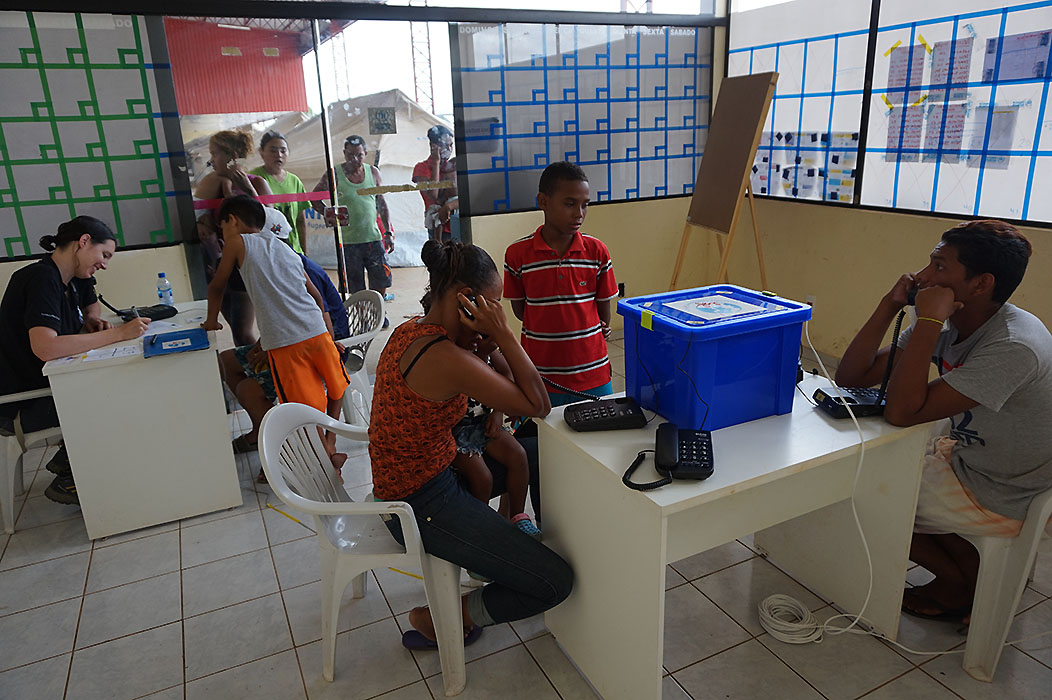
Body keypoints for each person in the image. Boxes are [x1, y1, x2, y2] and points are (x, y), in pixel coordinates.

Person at [835, 219, 1052, 622]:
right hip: (972, 455)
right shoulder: (955, 319)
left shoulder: (1013, 345)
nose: (921, 277)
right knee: (871, 466)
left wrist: (929, 322)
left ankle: (957, 581)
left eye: (938, 266)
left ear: (981, 284)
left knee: (855, 490)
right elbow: (851, 377)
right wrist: (890, 305)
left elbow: (902, 413)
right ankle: (970, 569)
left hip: (1007, 488)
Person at [369, 239, 572, 649]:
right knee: (555, 582)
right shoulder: (443, 356)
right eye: (492, 305)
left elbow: (512, 391)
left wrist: (490, 344)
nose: (496, 314)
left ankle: (522, 532)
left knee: (539, 452)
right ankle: (441, 616)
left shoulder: (414, 329)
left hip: (434, 473)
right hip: (418, 504)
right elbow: (538, 404)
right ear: (466, 300)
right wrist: (505, 335)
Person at [0, 217, 150, 504]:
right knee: (119, 397)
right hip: (25, 403)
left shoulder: (72, 276)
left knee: (118, 387)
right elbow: (46, 347)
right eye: (104, 255)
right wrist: (118, 334)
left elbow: (90, 300)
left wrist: (91, 318)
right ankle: (71, 479)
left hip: (49, 388)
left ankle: (68, 461)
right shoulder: (41, 278)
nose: (104, 265)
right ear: (83, 242)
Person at [203, 195, 349, 473]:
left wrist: (211, 321)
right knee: (336, 386)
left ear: (232, 220)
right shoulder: (285, 249)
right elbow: (316, 298)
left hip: (287, 345)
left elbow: (216, 286)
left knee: (303, 408)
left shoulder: (237, 243)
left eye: (222, 227)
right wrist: (329, 338)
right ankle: (330, 445)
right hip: (316, 332)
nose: (223, 235)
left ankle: (326, 464)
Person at [503, 161, 618, 406]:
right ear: (543, 202)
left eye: (585, 205)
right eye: (569, 204)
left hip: (593, 373)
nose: (579, 213)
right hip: (540, 376)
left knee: (599, 426)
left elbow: (603, 311)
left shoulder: (597, 252)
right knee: (543, 428)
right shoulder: (517, 255)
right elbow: (521, 311)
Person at [195, 130, 273, 347]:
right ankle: (252, 364)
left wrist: (249, 190)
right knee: (237, 329)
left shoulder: (257, 183)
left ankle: (260, 365)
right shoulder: (212, 183)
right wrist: (202, 223)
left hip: (246, 264)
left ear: (233, 155)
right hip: (219, 263)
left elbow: (272, 223)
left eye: (215, 153)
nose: (211, 160)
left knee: (242, 330)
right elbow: (197, 217)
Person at [312, 135, 393, 299]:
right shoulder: (334, 174)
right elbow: (314, 198)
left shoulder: (373, 172)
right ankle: (362, 313)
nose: (354, 159)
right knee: (355, 287)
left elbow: (381, 203)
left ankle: (378, 309)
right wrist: (329, 214)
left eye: (359, 155)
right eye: (350, 155)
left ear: (365, 154)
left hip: (373, 238)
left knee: (381, 280)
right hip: (348, 242)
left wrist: (388, 233)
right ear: (344, 153)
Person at [250, 130, 310, 255]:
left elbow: (300, 220)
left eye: (283, 151)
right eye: (272, 150)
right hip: (267, 251)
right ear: (261, 152)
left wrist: (304, 252)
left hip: (294, 251)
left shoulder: (294, 181)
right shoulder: (253, 179)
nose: (278, 155)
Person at [412, 124, 458, 242]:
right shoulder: (421, 168)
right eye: (446, 145)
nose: (449, 149)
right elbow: (433, 195)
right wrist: (436, 162)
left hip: (457, 223)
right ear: (434, 146)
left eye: (451, 145)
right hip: (438, 228)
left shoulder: (452, 166)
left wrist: (449, 206)